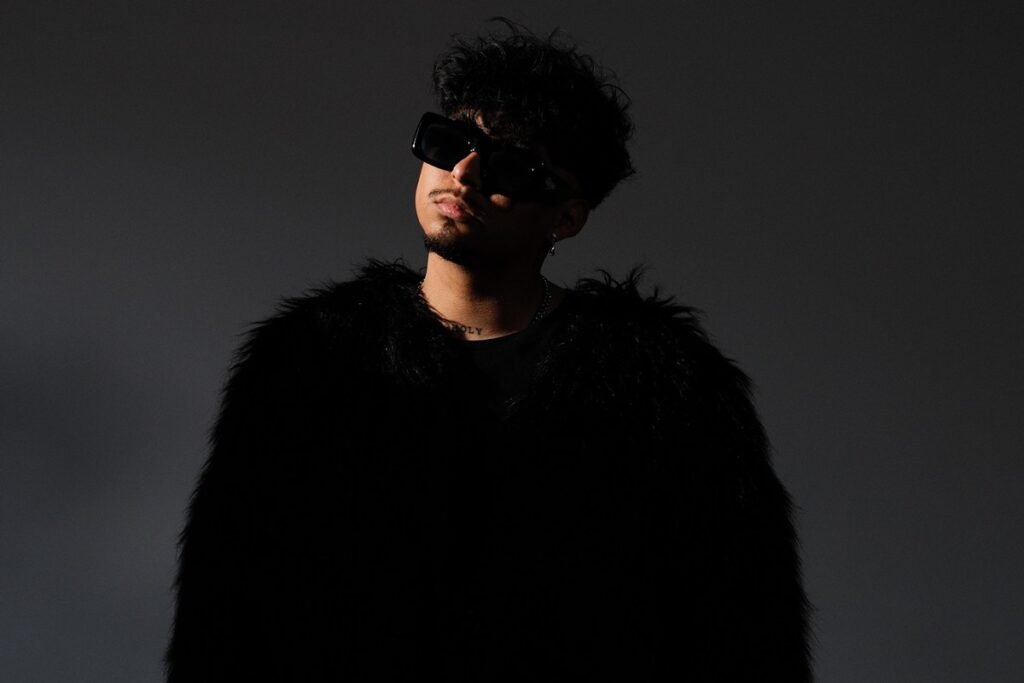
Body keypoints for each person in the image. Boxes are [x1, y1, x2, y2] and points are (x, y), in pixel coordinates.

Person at [166, 19, 812, 682]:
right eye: (448, 143)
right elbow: (224, 608)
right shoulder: (309, 360)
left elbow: (744, 628)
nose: (463, 173)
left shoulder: (665, 390)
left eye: (509, 165)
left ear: (566, 216)